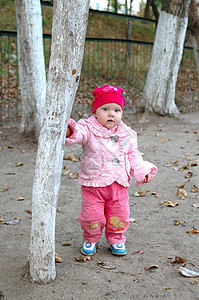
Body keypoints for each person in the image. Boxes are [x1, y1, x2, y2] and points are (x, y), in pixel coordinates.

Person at [65, 85, 157, 256]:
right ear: (95, 112)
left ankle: (116, 238)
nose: (111, 114)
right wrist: (70, 130)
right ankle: (90, 238)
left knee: (119, 214)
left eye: (116, 110)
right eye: (105, 109)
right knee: (91, 215)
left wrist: (141, 170)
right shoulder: (89, 128)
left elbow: (133, 154)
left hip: (118, 183)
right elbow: (78, 134)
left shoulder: (127, 133)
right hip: (93, 183)